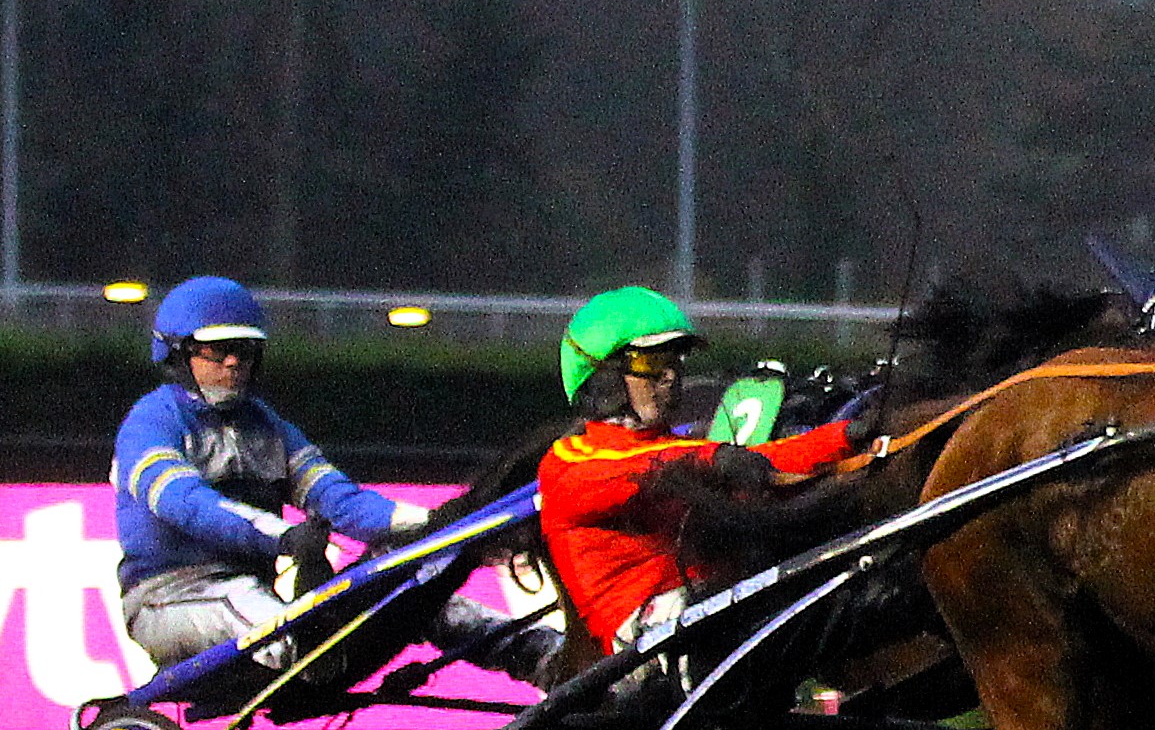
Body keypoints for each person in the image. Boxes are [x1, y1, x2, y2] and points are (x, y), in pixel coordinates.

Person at [112, 276, 486, 670]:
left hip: (253, 591)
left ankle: (542, 655)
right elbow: (186, 504)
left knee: (414, 583)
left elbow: (339, 500)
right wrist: (285, 536)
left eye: (244, 349)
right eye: (216, 350)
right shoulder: (151, 423)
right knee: (279, 628)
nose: (233, 361)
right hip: (165, 598)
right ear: (177, 353)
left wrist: (437, 523)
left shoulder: (270, 427)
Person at [537, 286, 862, 661]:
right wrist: (715, 460)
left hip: (708, 615)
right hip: (642, 651)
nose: (670, 376)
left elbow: (768, 458)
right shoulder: (567, 463)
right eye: (651, 363)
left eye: (676, 360)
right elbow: (640, 472)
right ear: (604, 377)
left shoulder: (675, 447)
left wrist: (849, 435)